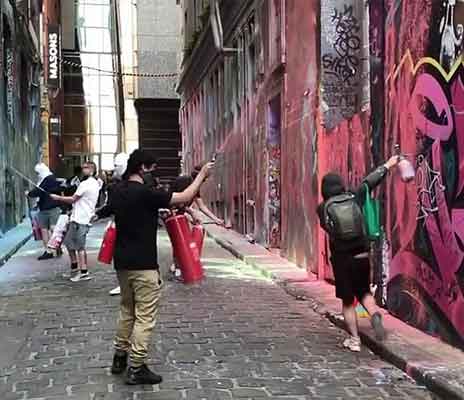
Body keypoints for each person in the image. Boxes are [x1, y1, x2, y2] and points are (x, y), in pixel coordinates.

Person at [95, 149, 213, 385]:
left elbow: (106, 211)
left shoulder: (116, 190)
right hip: (144, 264)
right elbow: (184, 196)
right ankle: (137, 367)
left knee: (127, 310)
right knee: (145, 316)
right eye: (151, 168)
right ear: (142, 168)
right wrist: (202, 176)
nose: (152, 173)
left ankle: (120, 357)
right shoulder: (147, 193)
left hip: (122, 263)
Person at [317, 156, 400, 352]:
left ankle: (354, 340)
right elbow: (370, 181)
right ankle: (374, 315)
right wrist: (389, 164)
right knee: (364, 293)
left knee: (348, 301)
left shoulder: (323, 208)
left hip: (342, 260)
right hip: (362, 255)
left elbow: (328, 229)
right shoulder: (355, 196)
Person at [168, 164, 224, 278]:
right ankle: (177, 265)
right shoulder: (184, 181)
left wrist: (216, 219)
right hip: (171, 213)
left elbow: (202, 206)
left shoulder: (195, 186)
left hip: (180, 214)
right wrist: (191, 213)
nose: (207, 179)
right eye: (206, 177)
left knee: (182, 240)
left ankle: (180, 264)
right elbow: (176, 199)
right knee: (178, 240)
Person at [51, 161, 100, 282]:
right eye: (83, 167)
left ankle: (84, 272)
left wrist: (58, 198)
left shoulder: (86, 184)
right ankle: (74, 269)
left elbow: (73, 199)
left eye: (86, 168)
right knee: (69, 243)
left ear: (92, 170)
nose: (83, 169)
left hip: (81, 219)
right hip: (78, 217)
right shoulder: (94, 183)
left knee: (79, 246)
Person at [26, 163, 62, 260]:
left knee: (46, 230)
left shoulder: (46, 179)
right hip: (53, 207)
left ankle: (49, 251)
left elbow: (37, 192)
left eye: (38, 173)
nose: (37, 175)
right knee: (52, 229)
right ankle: (56, 247)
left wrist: (29, 193)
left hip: (46, 209)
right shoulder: (52, 178)